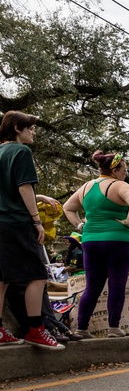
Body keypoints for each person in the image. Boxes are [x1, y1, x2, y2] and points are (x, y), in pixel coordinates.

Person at [0, 111, 65, 350]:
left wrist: (39, 195)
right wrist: (36, 220)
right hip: (17, 222)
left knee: (3, 278)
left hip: (1, 223)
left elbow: (6, 189)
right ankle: (36, 330)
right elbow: (23, 187)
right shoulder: (21, 151)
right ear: (17, 128)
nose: (33, 131)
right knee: (37, 275)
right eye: (30, 128)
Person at [63, 150, 129, 339]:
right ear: (114, 171)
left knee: (92, 286)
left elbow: (67, 207)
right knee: (116, 284)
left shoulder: (86, 187)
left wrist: (80, 225)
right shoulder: (120, 185)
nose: (126, 173)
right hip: (117, 240)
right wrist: (128, 222)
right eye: (124, 169)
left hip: (91, 241)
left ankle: (82, 328)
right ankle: (113, 328)